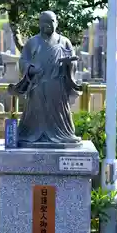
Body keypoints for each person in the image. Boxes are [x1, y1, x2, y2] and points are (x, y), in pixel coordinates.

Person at [9, 11, 81, 146]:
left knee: (59, 111)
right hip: (37, 85)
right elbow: (23, 61)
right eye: (44, 22)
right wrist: (30, 68)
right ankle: (30, 133)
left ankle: (63, 134)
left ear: (57, 23)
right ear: (39, 24)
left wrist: (69, 64)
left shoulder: (64, 42)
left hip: (57, 84)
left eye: (51, 22)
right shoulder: (32, 42)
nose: (47, 25)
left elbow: (73, 62)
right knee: (35, 111)